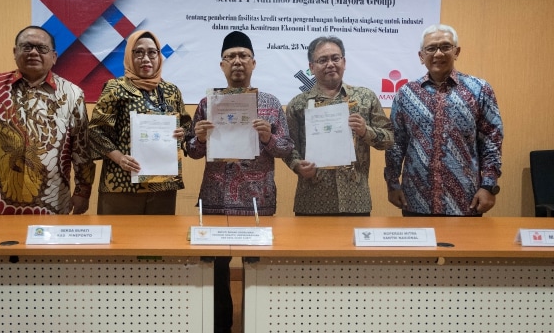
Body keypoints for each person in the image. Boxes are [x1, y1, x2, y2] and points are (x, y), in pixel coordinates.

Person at [185, 31, 294, 333]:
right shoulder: (209, 103)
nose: (237, 62)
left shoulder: (271, 103)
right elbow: (192, 152)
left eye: (243, 56)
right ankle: (220, 327)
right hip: (216, 201)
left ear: (253, 63)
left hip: (258, 202)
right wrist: (201, 138)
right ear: (221, 65)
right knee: (216, 273)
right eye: (230, 57)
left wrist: (267, 136)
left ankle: (255, 326)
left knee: (257, 271)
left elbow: (287, 148)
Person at [0, 25, 96, 215]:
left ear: (54, 56)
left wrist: (83, 191)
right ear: (15, 52)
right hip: (2, 204)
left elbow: (82, 150)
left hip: (55, 205)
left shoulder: (72, 94)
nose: (33, 52)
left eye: (41, 48)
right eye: (27, 47)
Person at [384, 24, 503, 216]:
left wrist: (488, 186)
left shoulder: (479, 90)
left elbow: (492, 140)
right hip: (416, 200)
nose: (438, 53)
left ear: (456, 52)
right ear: (421, 56)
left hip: (466, 201)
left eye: (445, 47)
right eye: (431, 48)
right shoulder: (406, 94)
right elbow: (396, 142)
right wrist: (392, 184)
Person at [283, 36, 394, 216]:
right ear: (311, 67)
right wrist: (297, 165)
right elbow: (288, 146)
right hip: (312, 200)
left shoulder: (365, 98)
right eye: (322, 60)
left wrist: (366, 131)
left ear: (344, 61)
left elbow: (389, 139)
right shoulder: (298, 104)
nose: (330, 64)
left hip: (356, 201)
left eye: (335, 58)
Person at [88, 30, 191, 215]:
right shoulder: (116, 88)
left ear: (159, 57)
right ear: (129, 55)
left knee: (160, 240)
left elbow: (186, 125)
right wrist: (120, 158)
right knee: (121, 240)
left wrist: (182, 133)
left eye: (152, 52)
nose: (146, 58)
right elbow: (96, 130)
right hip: (122, 184)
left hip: (163, 185)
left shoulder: (171, 91)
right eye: (138, 52)